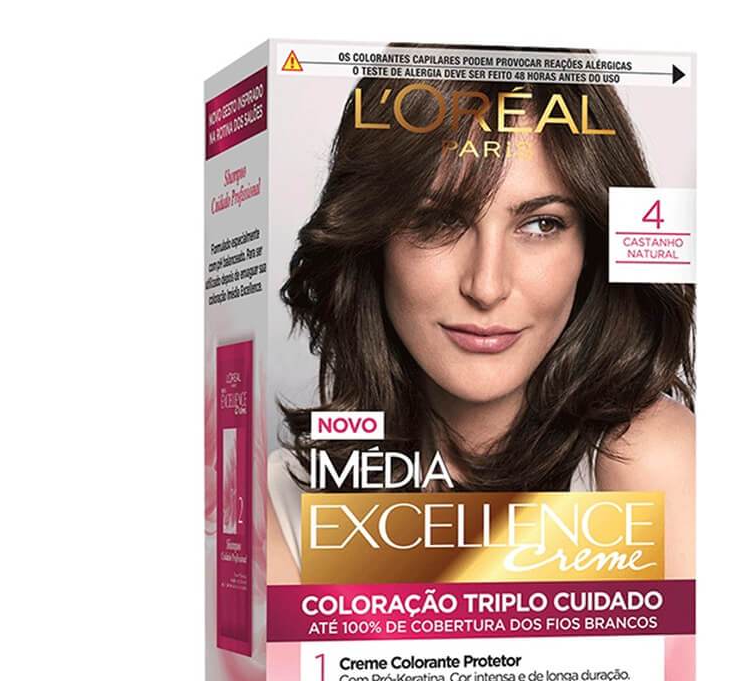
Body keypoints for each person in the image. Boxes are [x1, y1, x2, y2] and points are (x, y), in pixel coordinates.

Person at [267, 72, 694, 581]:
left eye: (542, 224)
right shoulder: (286, 497)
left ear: (593, 249)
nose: (487, 286)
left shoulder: (646, 457)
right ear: (374, 241)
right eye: (438, 222)